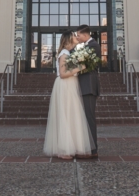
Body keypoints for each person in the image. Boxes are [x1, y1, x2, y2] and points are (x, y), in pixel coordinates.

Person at [43, 30, 94, 160]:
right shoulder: (64, 54)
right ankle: (63, 149)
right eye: (73, 36)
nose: (76, 37)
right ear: (68, 39)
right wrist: (81, 67)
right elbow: (63, 73)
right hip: (65, 85)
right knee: (65, 115)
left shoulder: (70, 53)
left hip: (71, 85)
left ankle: (74, 146)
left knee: (72, 115)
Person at [75, 24, 101, 158]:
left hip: (89, 85)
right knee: (85, 117)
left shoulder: (93, 46)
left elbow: (84, 65)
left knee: (89, 117)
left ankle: (92, 150)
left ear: (85, 34)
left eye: (78, 35)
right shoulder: (87, 45)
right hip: (84, 84)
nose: (77, 37)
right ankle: (87, 147)